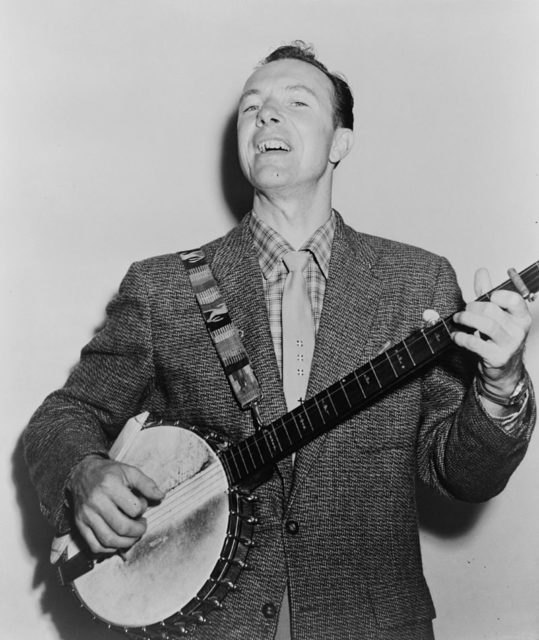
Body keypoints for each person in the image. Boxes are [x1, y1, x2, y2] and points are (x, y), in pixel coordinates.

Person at [24, 42, 536, 640]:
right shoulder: (162, 287)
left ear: (341, 142)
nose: (266, 115)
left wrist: (501, 387)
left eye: (296, 101)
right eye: (252, 107)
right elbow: (64, 413)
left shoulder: (416, 281)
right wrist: (82, 471)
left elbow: (463, 476)